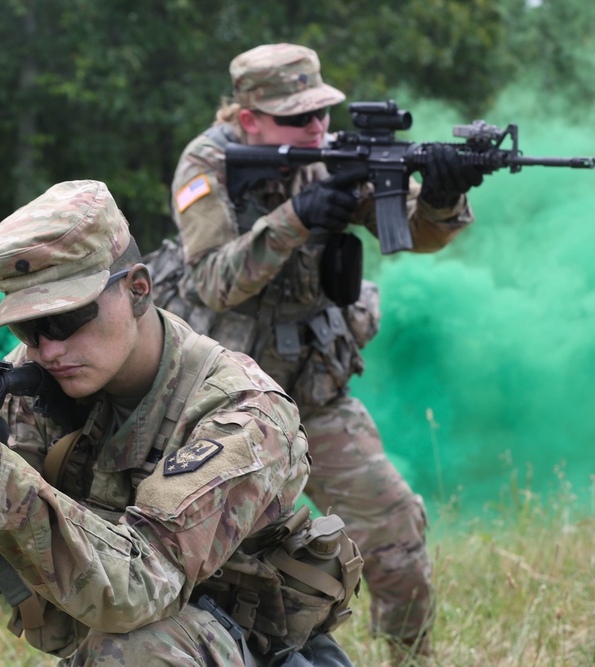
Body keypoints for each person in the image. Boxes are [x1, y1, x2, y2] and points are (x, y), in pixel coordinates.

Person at [0, 179, 363, 666]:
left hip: (257, 649)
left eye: (68, 318)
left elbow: (139, 589)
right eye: (29, 326)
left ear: (138, 289)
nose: (48, 347)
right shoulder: (34, 381)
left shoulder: (242, 414)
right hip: (129, 640)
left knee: (134, 650)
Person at [155, 43, 488, 662]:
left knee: (396, 539)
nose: (316, 130)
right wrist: (296, 218)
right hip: (221, 401)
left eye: (322, 115)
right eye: (297, 119)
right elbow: (214, 281)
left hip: (313, 391)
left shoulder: (327, 155)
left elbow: (413, 232)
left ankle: (410, 657)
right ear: (249, 119)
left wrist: (442, 196)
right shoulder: (210, 164)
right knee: (215, 565)